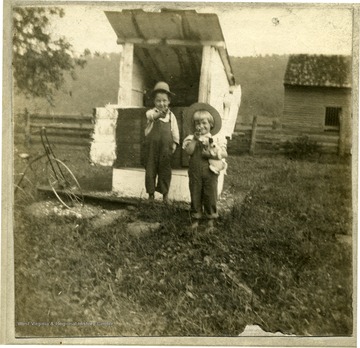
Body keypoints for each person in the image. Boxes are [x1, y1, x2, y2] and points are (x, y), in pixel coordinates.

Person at [182, 103, 227, 232]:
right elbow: (189, 152)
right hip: (195, 170)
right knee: (195, 193)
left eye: (204, 123)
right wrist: (195, 140)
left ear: (211, 124)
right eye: (197, 123)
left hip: (210, 171)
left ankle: (210, 219)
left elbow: (224, 153)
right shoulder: (191, 138)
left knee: (210, 194)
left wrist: (214, 153)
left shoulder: (216, 139)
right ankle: (196, 218)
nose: (200, 126)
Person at [144, 81, 180, 202]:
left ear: (169, 101)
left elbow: (175, 131)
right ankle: (151, 195)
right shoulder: (151, 113)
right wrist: (159, 115)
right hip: (152, 148)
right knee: (150, 170)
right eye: (158, 101)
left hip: (166, 149)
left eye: (164, 100)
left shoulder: (171, 116)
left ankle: (165, 195)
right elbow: (151, 116)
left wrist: (175, 143)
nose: (161, 103)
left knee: (165, 171)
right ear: (154, 102)